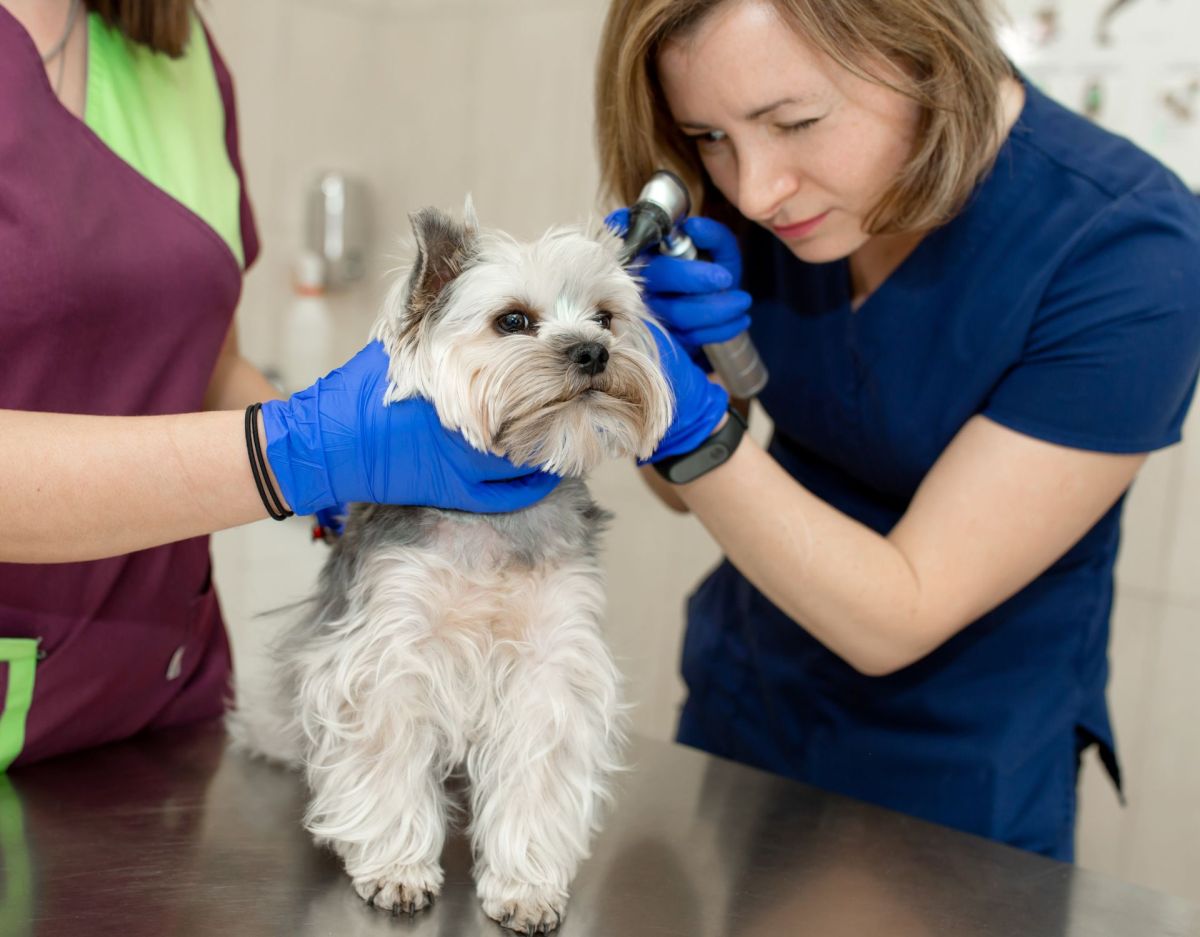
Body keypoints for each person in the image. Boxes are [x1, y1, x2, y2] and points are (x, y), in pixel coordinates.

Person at [595, 0, 1200, 860]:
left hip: (956, 773)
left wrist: (680, 415)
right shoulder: (773, 202)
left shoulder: (1132, 252)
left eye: (795, 122)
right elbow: (678, 494)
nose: (757, 189)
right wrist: (680, 371)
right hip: (749, 702)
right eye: (709, 138)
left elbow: (898, 613)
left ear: (924, 51)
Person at [0, 0, 571, 770]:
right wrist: (293, 453)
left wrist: (349, 457)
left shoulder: (176, 49)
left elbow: (204, 354)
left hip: (158, 716)